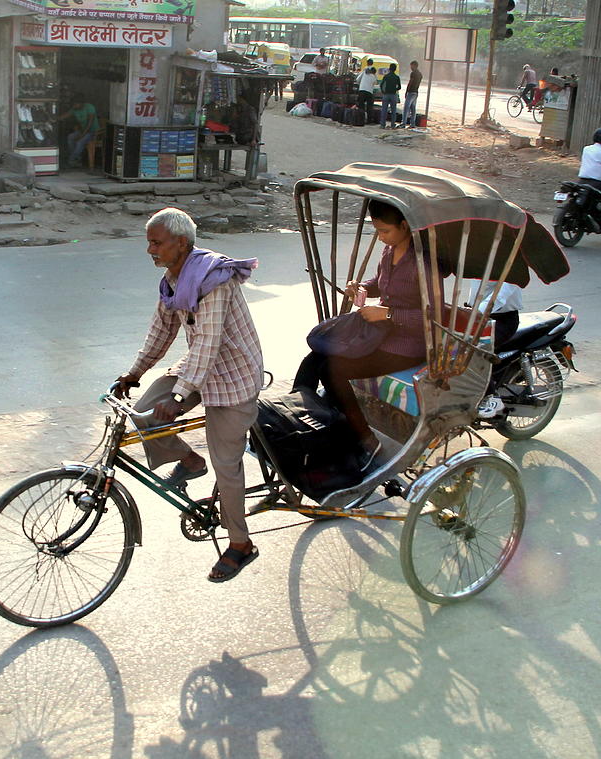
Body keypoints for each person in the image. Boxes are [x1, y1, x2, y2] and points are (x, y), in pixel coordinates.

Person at [114, 208, 264, 583]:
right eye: (149, 241)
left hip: (233, 375)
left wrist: (180, 398)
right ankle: (190, 461)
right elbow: (160, 332)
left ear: (182, 242)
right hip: (197, 367)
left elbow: (209, 344)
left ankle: (241, 544)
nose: (150, 249)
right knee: (143, 412)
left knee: (227, 465)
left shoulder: (214, 278)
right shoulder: (172, 279)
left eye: (156, 242)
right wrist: (134, 373)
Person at [293, 201, 442, 469]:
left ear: (405, 226)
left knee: (334, 370)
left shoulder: (424, 263)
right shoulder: (389, 251)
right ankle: (295, 419)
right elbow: (381, 283)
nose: (381, 237)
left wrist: (388, 314)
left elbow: (434, 317)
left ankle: (367, 441)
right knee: (314, 358)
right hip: (379, 335)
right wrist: (362, 287)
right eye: (378, 231)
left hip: (409, 345)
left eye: (385, 231)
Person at [471, 281, 523, 419]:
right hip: (477, 317)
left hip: (502, 320)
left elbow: (501, 295)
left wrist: (479, 310)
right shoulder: (478, 260)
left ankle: (491, 397)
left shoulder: (509, 263)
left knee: (474, 352)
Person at [60, 94, 98, 170]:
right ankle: (76, 159)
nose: (74, 106)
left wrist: (82, 135)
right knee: (70, 137)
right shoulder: (74, 109)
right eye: (73, 104)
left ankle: (70, 160)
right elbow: (64, 116)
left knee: (79, 142)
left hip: (92, 132)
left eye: (76, 104)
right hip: (82, 131)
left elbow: (89, 124)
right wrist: (54, 118)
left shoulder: (90, 107)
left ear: (81, 103)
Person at [355, 58, 378, 125]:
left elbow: (357, 79)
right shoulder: (374, 72)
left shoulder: (364, 70)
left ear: (367, 63)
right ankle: (369, 121)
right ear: (372, 63)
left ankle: (360, 119)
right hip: (369, 92)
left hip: (362, 90)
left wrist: (361, 84)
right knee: (369, 107)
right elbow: (375, 82)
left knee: (361, 106)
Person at [401, 60, 423, 128]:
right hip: (416, 92)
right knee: (413, 109)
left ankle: (403, 123)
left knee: (406, 108)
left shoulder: (413, 73)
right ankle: (412, 123)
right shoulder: (420, 74)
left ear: (414, 65)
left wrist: (406, 91)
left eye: (411, 66)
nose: (411, 67)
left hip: (411, 92)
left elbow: (410, 82)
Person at [379, 63, 401, 129]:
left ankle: (382, 124)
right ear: (395, 69)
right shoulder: (397, 77)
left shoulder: (386, 76)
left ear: (389, 69)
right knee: (393, 111)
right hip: (393, 95)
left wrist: (383, 92)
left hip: (386, 94)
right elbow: (399, 87)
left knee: (384, 110)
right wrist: (395, 89)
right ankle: (392, 125)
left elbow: (381, 85)